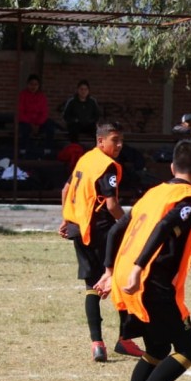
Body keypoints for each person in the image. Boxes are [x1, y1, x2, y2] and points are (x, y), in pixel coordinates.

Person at [93, 139, 191, 381]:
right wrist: (137, 269)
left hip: (127, 279)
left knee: (157, 348)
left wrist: (108, 271)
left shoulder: (153, 193)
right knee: (188, 350)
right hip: (149, 283)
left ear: (172, 167)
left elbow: (117, 230)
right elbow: (165, 227)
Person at [58, 120, 144, 362]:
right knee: (124, 278)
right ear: (100, 141)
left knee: (91, 287)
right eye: (114, 140)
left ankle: (97, 343)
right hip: (101, 230)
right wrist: (130, 225)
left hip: (79, 228)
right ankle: (125, 339)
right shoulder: (107, 166)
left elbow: (66, 190)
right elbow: (112, 205)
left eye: (121, 141)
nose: (118, 146)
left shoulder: (86, 159)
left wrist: (67, 217)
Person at [17, 73, 56, 155]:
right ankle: (23, 151)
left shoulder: (41, 96)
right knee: (24, 129)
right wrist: (31, 124)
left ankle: (48, 150)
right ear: (27, 84)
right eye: (31, 84)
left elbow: (44, 112)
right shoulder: (22, 95)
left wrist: (38, 124)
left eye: (36, 84)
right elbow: (20, 112)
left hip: (39, 122)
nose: (33, 87)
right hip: (26, 122)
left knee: (50, 126)